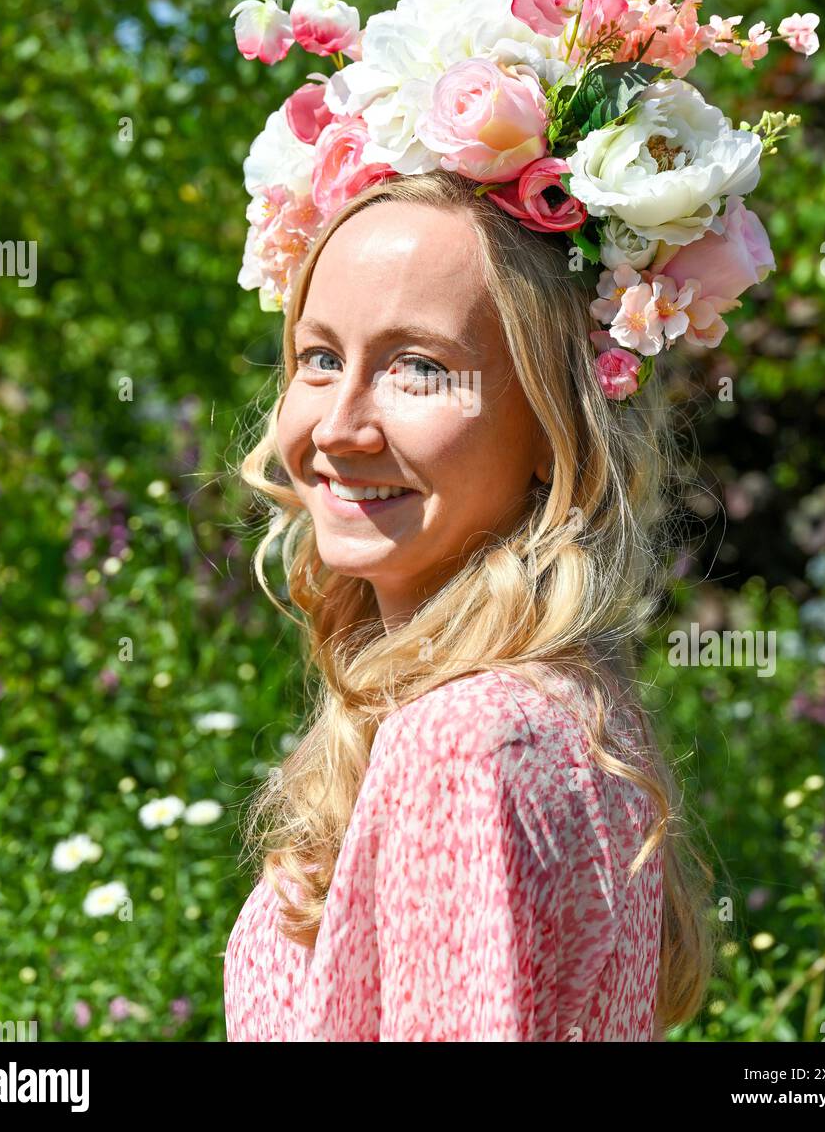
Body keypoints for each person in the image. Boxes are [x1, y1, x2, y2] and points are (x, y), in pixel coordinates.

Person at [223, 168, 715, 1041]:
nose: (339, 425)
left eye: (417, 367)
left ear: (551, 423)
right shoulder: (566, 711)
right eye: (320, 358)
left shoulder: (466, 742)